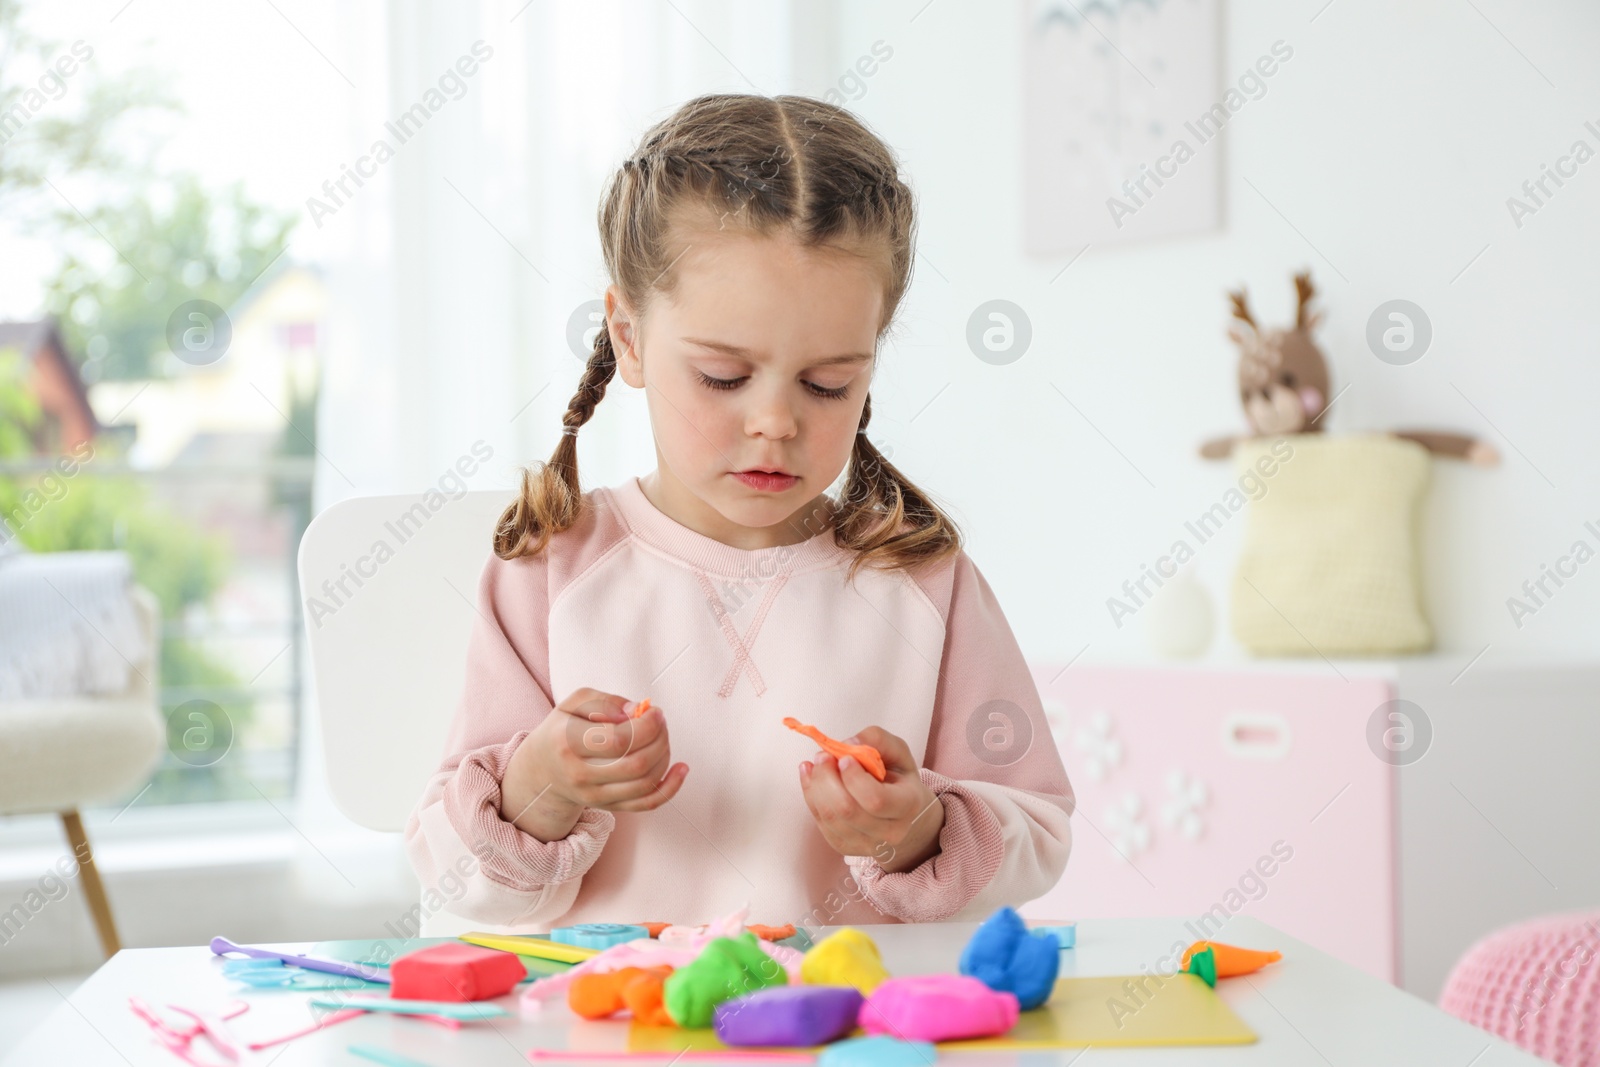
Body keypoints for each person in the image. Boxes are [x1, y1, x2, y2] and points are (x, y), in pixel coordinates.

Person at [404, 93, 1074, 933]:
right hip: (604, 1031)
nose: (776, 422)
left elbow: (1038, 832)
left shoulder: (924, 583)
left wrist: (921, 833)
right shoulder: (553, 569)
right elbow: (451, 877)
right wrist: (543, 785)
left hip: (843, 1034)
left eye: (829, 383)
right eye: (724, 376)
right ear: (631, 338)